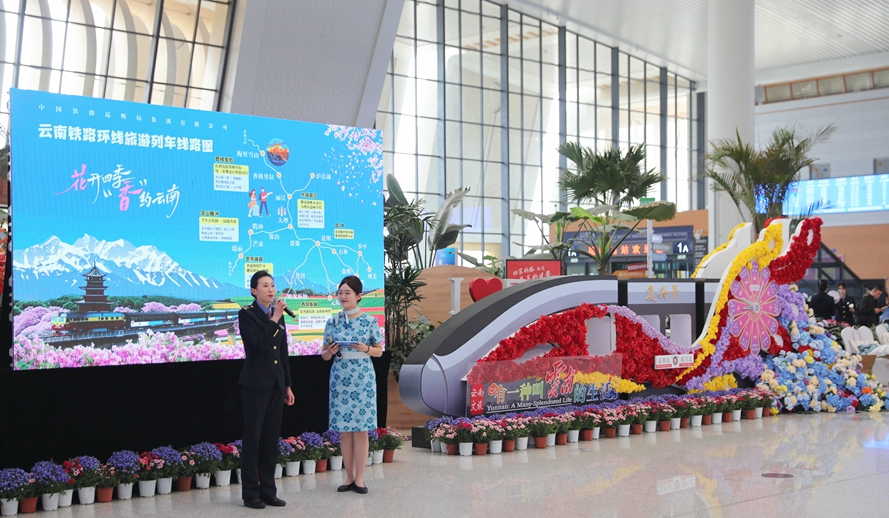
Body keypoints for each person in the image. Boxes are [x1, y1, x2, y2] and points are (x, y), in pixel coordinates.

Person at [320, 276, 382, 495]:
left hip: (363, 377)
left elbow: (379, 351)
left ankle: (360, 479)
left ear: (358, 296)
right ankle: (348, 477)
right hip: (340, 377)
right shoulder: (333, 321)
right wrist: (330, 352)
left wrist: (366, 349)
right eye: (340, 293)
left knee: (361, 430)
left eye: (347, 293)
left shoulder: (369, 321)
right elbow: (324, 356)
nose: (343, 296)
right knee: (344, 431)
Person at [238, 270, 295, 509]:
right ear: (254, 291)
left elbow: (283, 353)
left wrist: (287, 385)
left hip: (276, 385)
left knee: (271, 441)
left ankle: (269, 492)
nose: (271, 289)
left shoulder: (276, 315)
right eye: (265, 286)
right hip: (255, 386)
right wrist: (274, 320)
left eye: (272, 285)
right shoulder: (247, 314)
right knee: (253, 439)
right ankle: (250, 494)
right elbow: (260, 345)